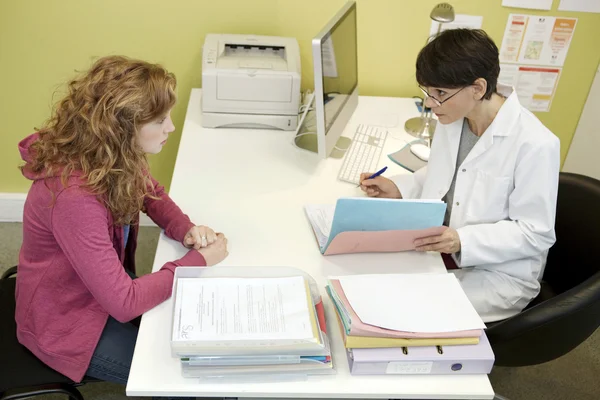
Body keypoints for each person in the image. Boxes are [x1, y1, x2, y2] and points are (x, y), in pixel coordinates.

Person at [16, 55, 229, 385]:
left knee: (196, 331)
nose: (170, 127)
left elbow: (149, 191)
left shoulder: (110, 153)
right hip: (67, 324)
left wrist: (184, 229)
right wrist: (194, 263)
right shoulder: (74, 199)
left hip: (100, 289)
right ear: (121, 128)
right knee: (183, 375)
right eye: (159, 121)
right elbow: (124, 302)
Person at [360, 29, 560, 322]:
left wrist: (462, 240)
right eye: (427, 91)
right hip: (441, 249)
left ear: (478, 88)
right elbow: (450, 175)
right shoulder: (455, 116)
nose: (430, 103)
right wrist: (399, 186)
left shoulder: (536, 144)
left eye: (439, 93)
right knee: (368, 275)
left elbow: (535, 232)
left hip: (498, 273)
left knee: (404, 311)